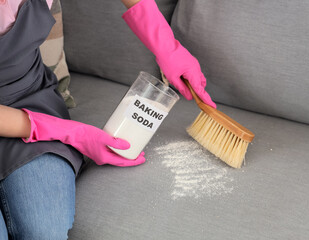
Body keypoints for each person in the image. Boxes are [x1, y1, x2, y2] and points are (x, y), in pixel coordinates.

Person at [0, 0, 216, 238]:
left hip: (28, 97)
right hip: (37, 124)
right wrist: (70, 133)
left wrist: (169, 49)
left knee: (44, 230)